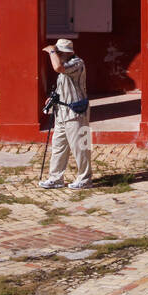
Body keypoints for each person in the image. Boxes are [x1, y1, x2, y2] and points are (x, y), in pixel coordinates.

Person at [38, 38, 92, 189]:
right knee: (58, 147)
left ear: (67, 53)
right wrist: (55, 96)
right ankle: (56, 178)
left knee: (81, 147)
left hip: (76, 112)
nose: (58, 55)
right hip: (61, 112)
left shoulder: (77, 63)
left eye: (60, 52)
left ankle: (85, 179)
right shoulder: (65, 65)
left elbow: (58, 67)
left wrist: (51, 51)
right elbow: (65, 83)